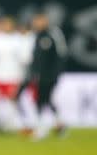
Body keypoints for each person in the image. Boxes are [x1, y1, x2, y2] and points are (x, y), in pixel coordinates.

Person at [30, 12, 67, 140]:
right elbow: (35, 58)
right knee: (46, 100)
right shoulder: (37, 36)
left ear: (44, 21)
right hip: (40, 75)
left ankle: (41, 129)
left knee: (42, 100)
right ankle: (60, 124)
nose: (36, 24)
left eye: (38, 21)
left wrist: (56, 73)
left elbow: (61, 54)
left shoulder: (53, 34)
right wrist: (34, 73)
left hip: (50, 75)